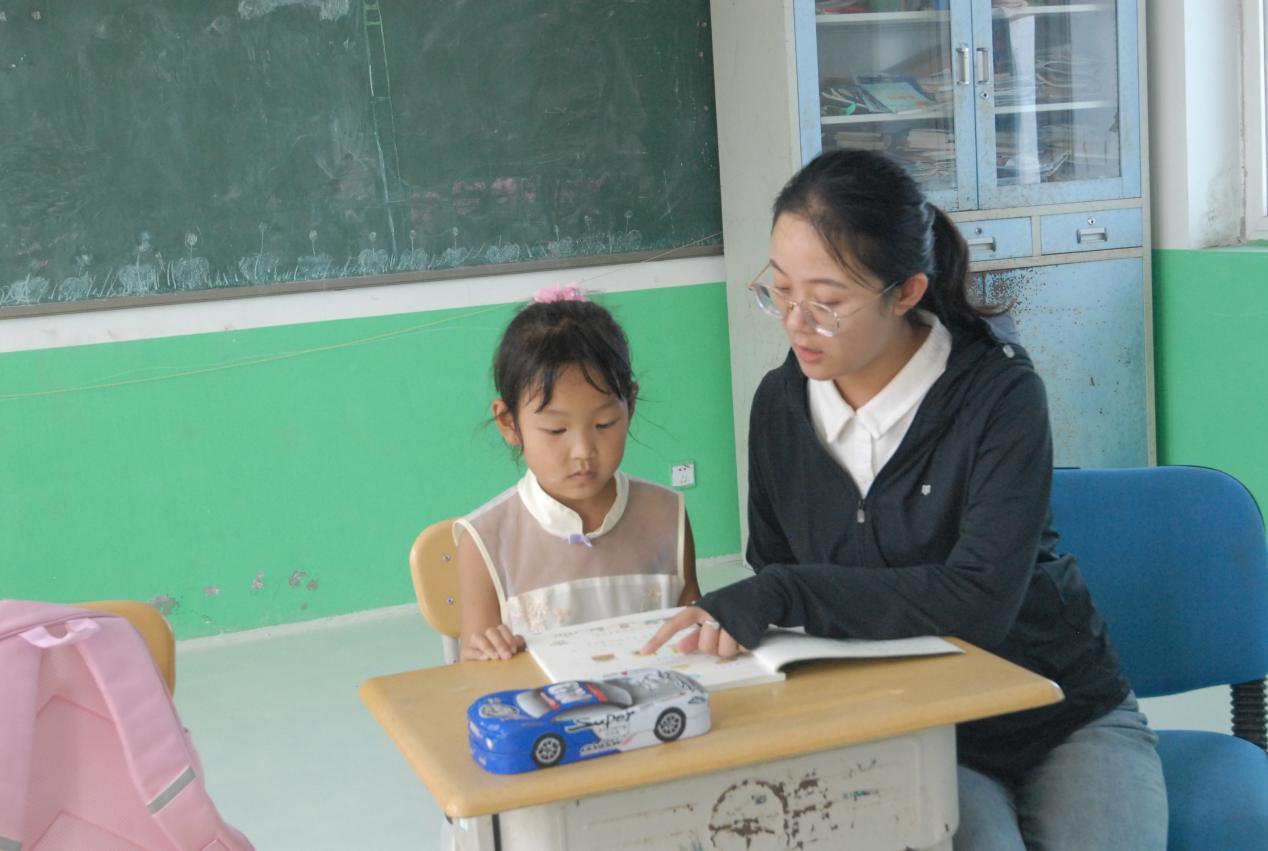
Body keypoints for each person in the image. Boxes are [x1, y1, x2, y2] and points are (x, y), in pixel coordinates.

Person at [642, 150, 1167, 849]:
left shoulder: (998, 394)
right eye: (780, 291)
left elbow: (976, 600)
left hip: (1061, 713)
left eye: (826, 302)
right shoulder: (779, 405)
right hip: (913, 726)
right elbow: (777, 574)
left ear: (907, 291)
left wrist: (788, 591)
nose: (796, 322)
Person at [457, 284, 700, 662]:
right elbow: (475, 668)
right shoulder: (486, 539)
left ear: (630, 407)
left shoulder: (667, 514)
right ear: (508, 422)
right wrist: (483, 652)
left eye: (603, 424)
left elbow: (693, 631)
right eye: (556, 431)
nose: (583, 451)